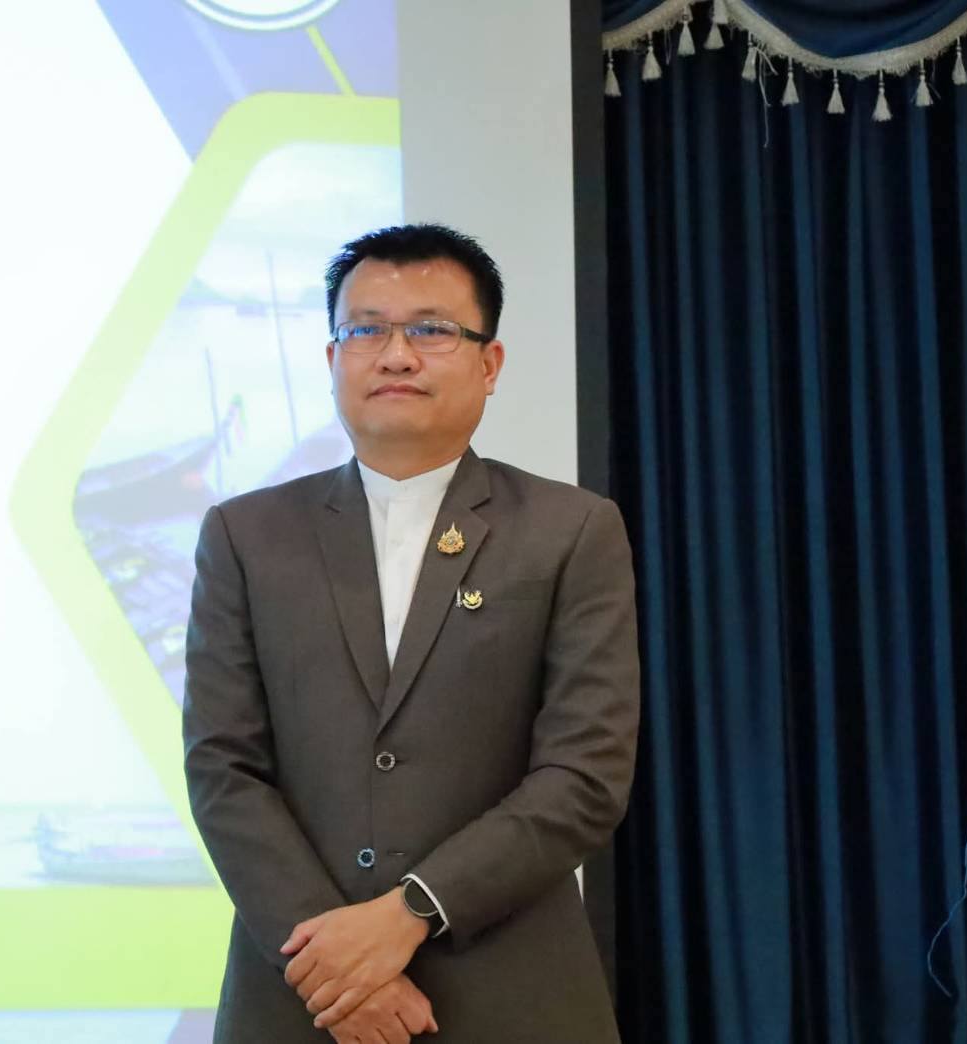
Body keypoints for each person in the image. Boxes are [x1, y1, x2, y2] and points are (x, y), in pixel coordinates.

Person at [182, 223, 640, 1042]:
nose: (396, 356)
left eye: (431, 329)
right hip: (302, 996)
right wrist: (337, 967)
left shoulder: (571, 530)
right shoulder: (246, 536)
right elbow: (224, 767)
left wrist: (410, 913)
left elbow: (584, 774)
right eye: (367, 331)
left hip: (513, 995)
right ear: (333, 359)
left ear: (490, 364)